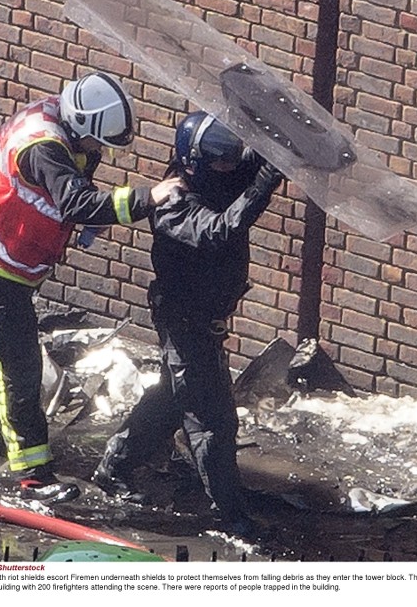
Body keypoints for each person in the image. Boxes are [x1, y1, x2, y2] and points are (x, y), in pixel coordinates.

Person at [0, 72, 184, 505]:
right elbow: (76, 200)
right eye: (98, 143)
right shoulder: (46, 148)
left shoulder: (58, 119)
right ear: (82, 125)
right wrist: (149, 197)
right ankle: (33, 475)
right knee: (18, 367)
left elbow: (71, 186)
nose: (100, 151)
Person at [92, 111, 283, 533]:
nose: (230, 167)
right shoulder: (174, 203)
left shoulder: (216, 177)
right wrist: (265, 184)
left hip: (204, 320)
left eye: (232, 158)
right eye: (221, 160)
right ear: (194, 160)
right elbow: (220, 230)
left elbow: (251, 165)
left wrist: (279, 145)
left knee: (172, 398)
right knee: (212, 420)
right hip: (185, 321)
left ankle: (115, 466)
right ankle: (231, 517)